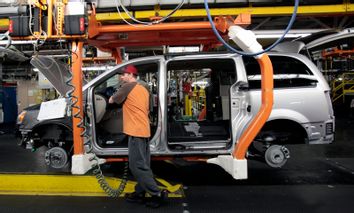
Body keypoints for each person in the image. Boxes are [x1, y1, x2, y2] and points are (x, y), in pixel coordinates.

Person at [109, 65, 167, 208]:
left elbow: (111, 100)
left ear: (130, 75)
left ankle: (157, 194)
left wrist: (113, 94)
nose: (121, 78)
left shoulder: (128, 86)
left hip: (135, 131)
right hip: (144, 130)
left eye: (123, 75)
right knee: (144, 164)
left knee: (137, 165)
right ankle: (140, 193)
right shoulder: (143, 88)